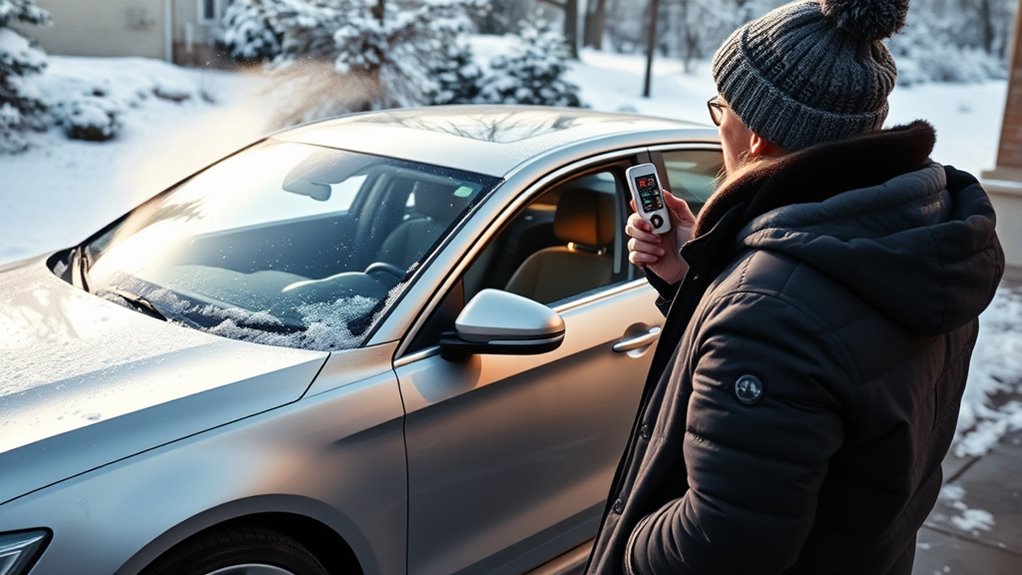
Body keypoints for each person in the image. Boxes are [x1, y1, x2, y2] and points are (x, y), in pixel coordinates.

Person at [585, 1, 1005, 574]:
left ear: (755, 135)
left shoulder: (768, 313)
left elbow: (721, 546)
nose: (719, 126)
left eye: (721, 109)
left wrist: (627, 547)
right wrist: (699, 275)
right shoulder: (927, 238)